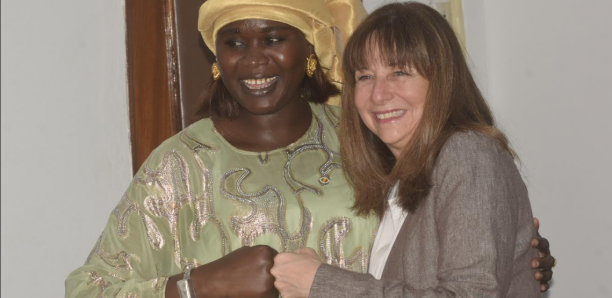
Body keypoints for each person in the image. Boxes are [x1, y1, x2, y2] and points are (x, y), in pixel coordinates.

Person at [65, 1, 554, 297]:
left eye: (275, 38)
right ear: (216, 58)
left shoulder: (365, 140)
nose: (254, 59)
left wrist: (513, 255)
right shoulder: (180, 165)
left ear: (311, 49)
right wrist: (199, 287)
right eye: (234, 42)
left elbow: (448, 249)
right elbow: (89, 290)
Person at [271, 2, 549, 297]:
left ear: (443, 79)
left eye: (399, 72)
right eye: (365, 76)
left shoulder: (468, 153)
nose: (378, 94)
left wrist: (322, 283)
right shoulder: (399, 179)